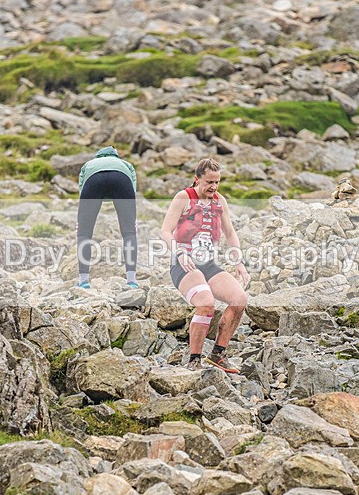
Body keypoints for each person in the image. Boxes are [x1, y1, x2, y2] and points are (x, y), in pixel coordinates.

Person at [159, 158, 249, 373]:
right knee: (206, 303)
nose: (214, 187)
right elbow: (164, 231)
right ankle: (194, 359)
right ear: (197, 179)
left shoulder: (220, 201)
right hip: (184, 265)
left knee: (239, 300)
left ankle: (217, 355)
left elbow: (230, 232)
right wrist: (179, 252)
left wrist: (239, 262)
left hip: (208, 264)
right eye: (209, 182)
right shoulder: (183, 197)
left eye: (217, 182)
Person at [77, 146, 138, 289]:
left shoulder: (89, 164)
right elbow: (132, 190)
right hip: (122, 180)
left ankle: (83, 281)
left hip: (93, 180)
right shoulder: (125, 164)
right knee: (129, 232)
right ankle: (131, 280)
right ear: (116, 156)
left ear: (98, 156)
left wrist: (86, 213)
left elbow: (82, 191)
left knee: (84, 233)